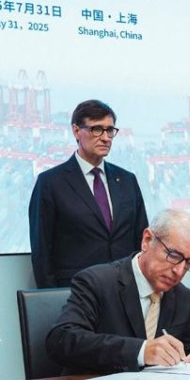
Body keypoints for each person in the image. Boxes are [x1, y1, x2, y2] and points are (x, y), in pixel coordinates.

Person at [47, 209, 190, 373]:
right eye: (174, 256)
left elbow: (188, 344)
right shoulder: (97, 282)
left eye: (189, 262)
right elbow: (61, 339)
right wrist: (141, 351)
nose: (179, 270)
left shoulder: (182, 296)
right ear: (147, 240)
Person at [29, 99, 149, 288]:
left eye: (110, 130)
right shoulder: (51, 183)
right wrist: (52, 296)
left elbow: (142, 242)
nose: (106, 138)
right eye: (97, 129)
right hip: (76, 293)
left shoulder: (127, 180)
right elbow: (42, 252)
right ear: (76, 131)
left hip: (124, 291)